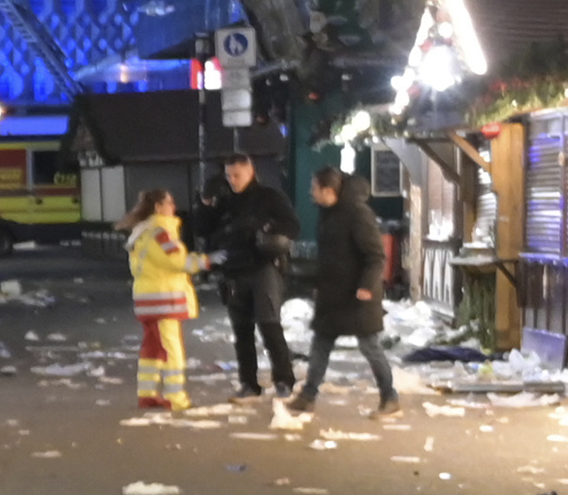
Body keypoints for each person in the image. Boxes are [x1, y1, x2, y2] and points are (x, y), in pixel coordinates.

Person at [293, 158, 400, 415]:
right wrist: (320, 284)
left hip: (357, 296)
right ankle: (308, 395)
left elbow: (376, 255)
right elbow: (331, 255)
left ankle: (390, 396)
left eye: (314, 188)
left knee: (370, 346)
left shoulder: (357, 213)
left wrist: (366, 286)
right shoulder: (328, 213)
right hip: (333, 295)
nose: (311, 193)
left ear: (327, 190)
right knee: (321, 343)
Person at [194, 147, 299, 398]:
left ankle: (284, 380)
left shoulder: (269, 197)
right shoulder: (225, 201)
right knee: (242, 331)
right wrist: (206, 205)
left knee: (269, 325)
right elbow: (201, 230)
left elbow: (293, 227)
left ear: (251, 171)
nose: (233, 181)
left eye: (237, 175)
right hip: (232, 270)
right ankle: (249, 384)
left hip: (263, 266)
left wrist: (265, 227)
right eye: (229, 176)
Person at [123, 190, 196, 411]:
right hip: (165, 300)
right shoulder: (161, 232)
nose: (173, 207)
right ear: (158, 206)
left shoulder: (142, 231)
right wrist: (206, 261)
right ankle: (176, 397)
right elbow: (177, 261)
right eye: (170, 202)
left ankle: (147, 393)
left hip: (148, 299)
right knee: (172, 348)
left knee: (152, 348)